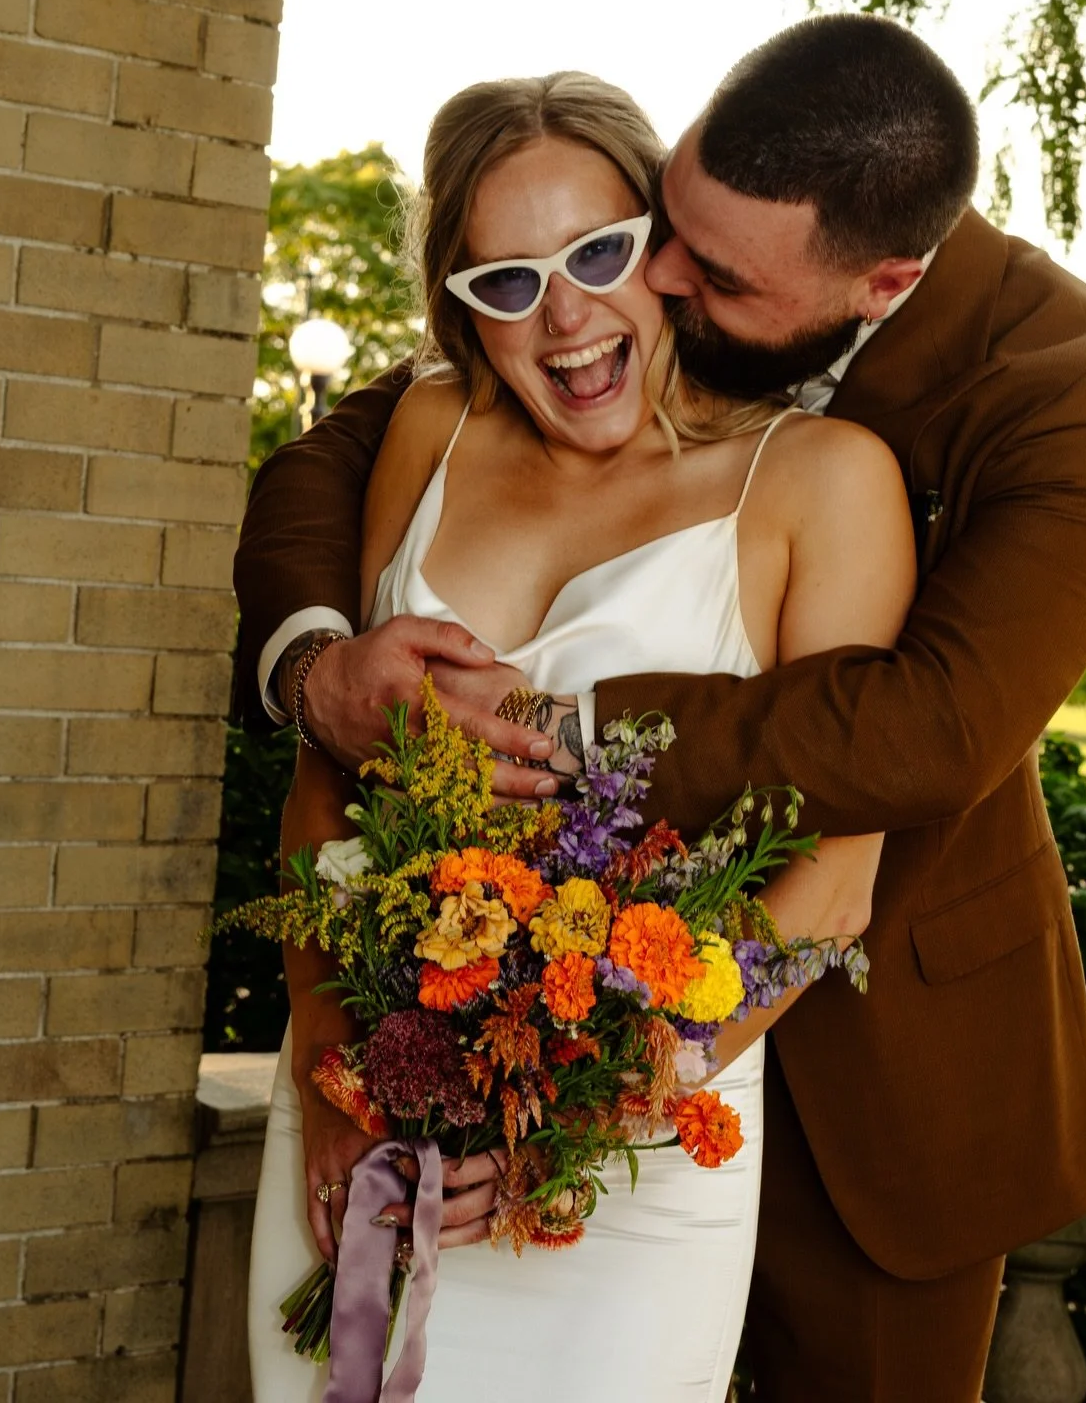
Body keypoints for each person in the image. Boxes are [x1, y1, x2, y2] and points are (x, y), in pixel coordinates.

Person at [236, 15, 1086, 1402]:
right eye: (656, 232)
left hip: (868, 1057)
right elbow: (338, 461)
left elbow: (925, 736)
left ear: (881, 282)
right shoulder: (665, 244)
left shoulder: (1073, 391)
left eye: (677, 264)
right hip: (427, 1077)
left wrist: (559, 740)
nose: (654, 279)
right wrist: (318, 673)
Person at [247, 68, 914, 1402]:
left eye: (599, 254)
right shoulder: (428, 433)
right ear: (462, 309)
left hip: (631, 1173)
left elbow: (833, 887)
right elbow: (332, 786)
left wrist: (582, 1104)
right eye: (507, 282)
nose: (563, 315)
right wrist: (330, 1080)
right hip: (360, 1127)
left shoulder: (822, 485)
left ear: (667, 253)